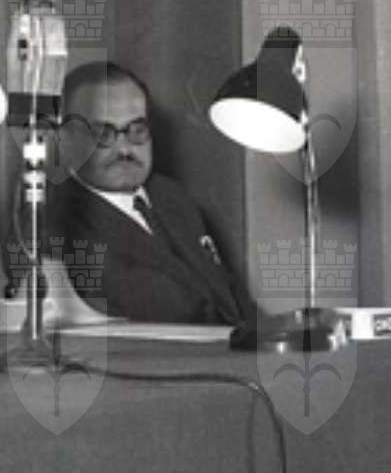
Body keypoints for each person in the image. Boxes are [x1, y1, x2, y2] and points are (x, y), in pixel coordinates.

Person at [51, 61, 253, 328]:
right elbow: (163, 310)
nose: (125, 149)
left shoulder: (171, 196)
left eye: (137, 130)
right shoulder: (58, 222)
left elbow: (229, 297)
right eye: (103, 134)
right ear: (66, 141)